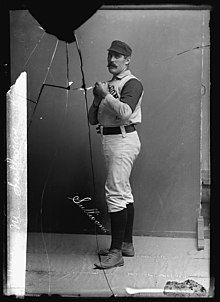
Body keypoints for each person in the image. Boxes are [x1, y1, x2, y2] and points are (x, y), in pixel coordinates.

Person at [88, 40, 144, 269]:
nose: (112, 59)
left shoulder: (132, 82)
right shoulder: (107, 85)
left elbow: (125, 112)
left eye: (118, 56)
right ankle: (126, 245)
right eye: (110, 55)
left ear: (127, 60)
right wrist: (97, 98)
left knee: (115, 193)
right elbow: (92, 120)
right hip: (110, 140)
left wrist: (105, 95)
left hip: (123, 139)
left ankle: (115, 252)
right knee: (124, 192)